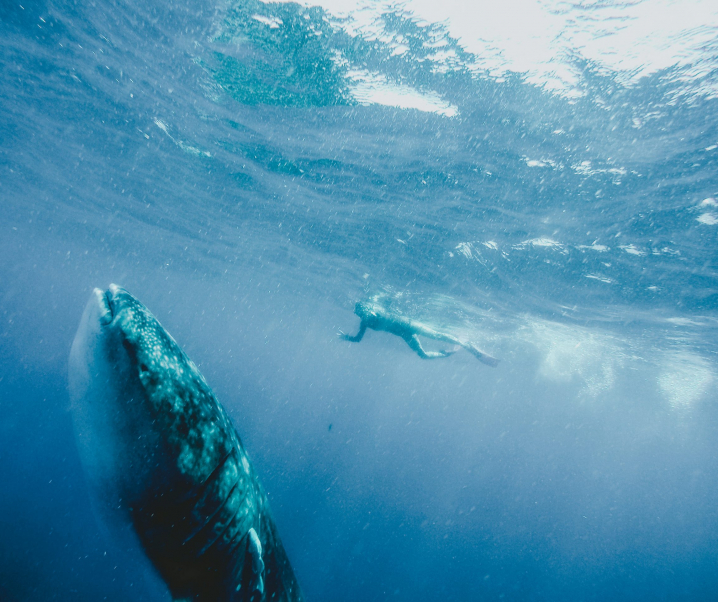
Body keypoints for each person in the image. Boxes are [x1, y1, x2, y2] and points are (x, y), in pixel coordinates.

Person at [338, 300, 499, 366]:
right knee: (423, 355)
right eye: (359, 313)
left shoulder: (375, 312)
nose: (363, 314)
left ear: (369, 308)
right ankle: (447, 354)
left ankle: (473, 350)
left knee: (437, 334)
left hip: (411, 325)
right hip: (405, 334)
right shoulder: (365, 322)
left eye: (364, 311)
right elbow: (358, 339)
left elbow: (378, 307)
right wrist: (347, 337)